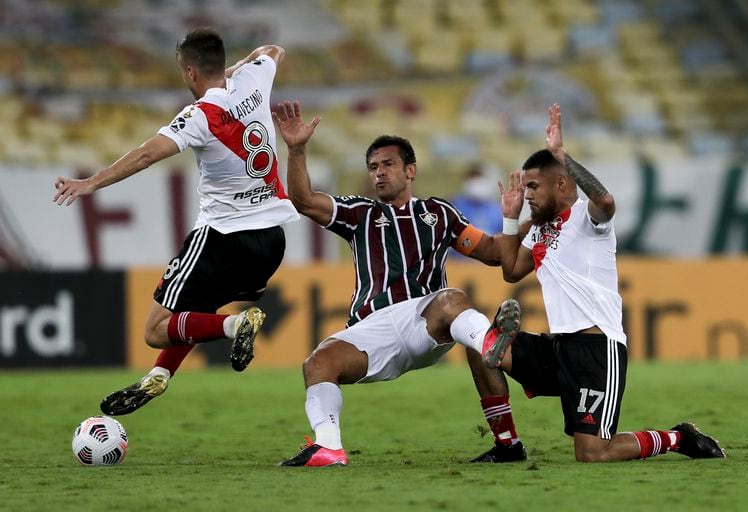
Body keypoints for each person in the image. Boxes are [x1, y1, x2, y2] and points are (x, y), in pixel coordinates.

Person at [53, 28, 298, 415]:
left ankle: (236, 326)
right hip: (271, 240)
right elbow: (273, 50)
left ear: (188, 72)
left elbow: (145, 155)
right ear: (220, 63)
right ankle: (161, 375)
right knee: (190, 314)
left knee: (154, 330)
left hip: (222, 236)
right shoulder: (255, 77)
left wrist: (90, 183)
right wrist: (233, 72)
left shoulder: (199, 116)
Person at [271, 100, 527, 467]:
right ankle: (328, 448)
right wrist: (296, 149)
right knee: (317, 363)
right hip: (372, 329)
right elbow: (303, 200)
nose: (379, 173)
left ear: (411, 171)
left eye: (388, 165)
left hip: (424, 321)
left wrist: (511, 220)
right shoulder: (359, 213)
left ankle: (508, 441)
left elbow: (492, 253)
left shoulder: (438, 214)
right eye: (373, 167)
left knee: (455, 302)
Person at [481, 103, 726, 462]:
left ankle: (678, 438)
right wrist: (508, 217)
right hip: (559, 347)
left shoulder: (587, 219)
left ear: (561, 183)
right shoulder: (538, 229)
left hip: (597, 350)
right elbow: (511, 271)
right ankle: (507, 445)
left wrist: (563, 156)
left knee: (593, 453)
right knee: (488, 350)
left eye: (534, 186)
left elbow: (605, 200)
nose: (528, 193)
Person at [450, 163, 503, 236]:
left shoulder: (498, 209)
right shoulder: (456, 205)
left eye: (479, 177)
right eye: (472, 177)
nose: (476, 182)